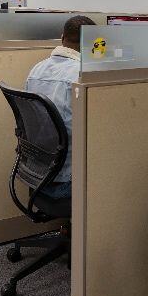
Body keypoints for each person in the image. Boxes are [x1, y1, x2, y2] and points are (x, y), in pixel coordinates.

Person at [23, 14, 95, 200]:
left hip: (37, 175)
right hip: (67, 181)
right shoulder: (83, 77)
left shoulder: (36, 70)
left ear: (62, 37)